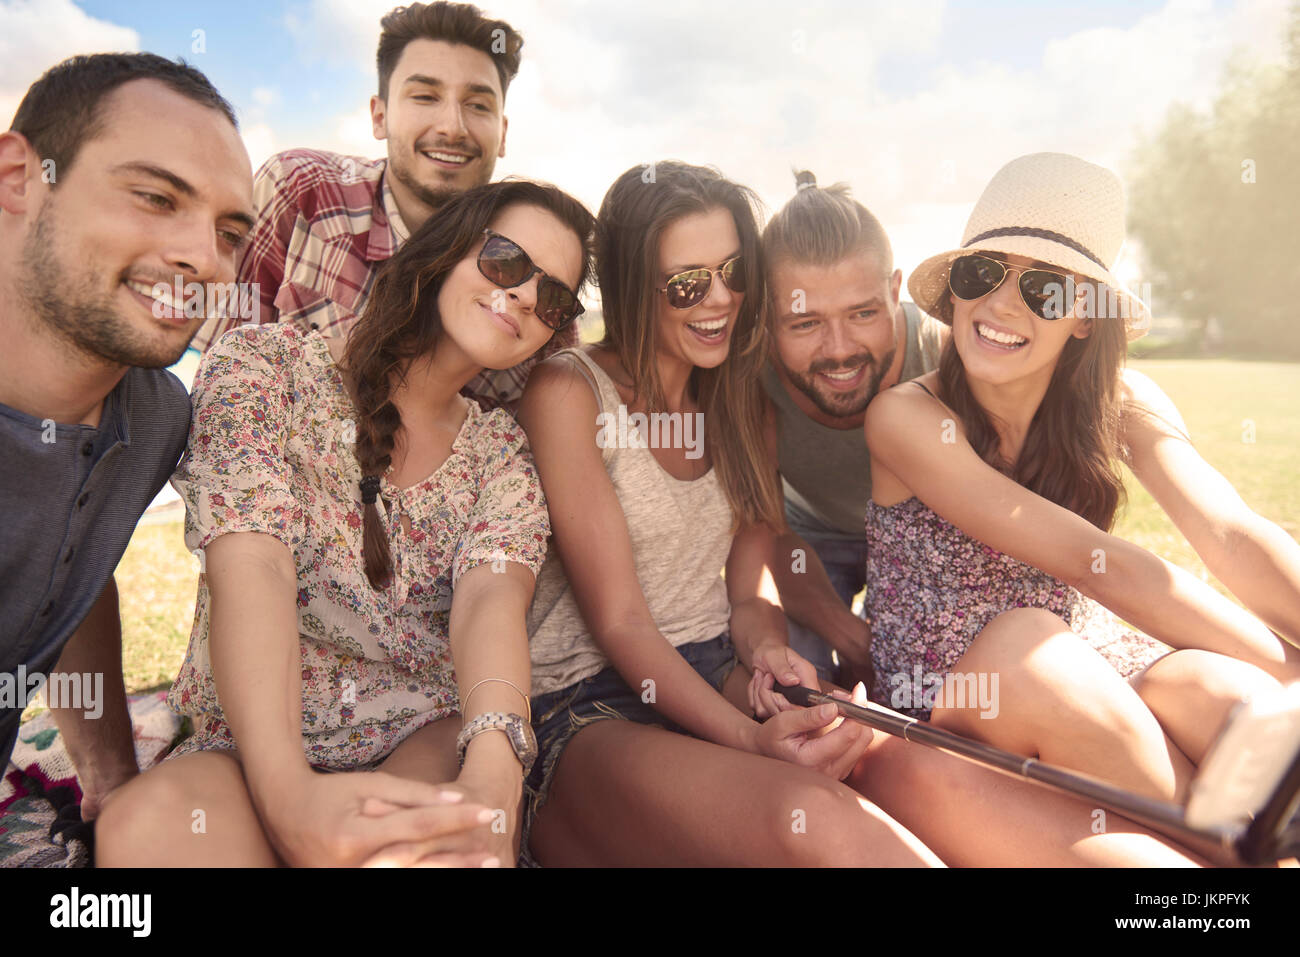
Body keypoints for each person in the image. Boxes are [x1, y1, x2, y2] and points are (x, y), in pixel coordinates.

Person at [94, 180, 594, 867]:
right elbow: (255, 567)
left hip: (417, 737)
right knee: (143, 833)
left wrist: (496, 772)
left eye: (556, 297)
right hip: (250, 744)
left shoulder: (502, 454)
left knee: (417, 853)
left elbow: (490, 602)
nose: (529, 297)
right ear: (447, 250)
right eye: (506, 260)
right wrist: (289, 797)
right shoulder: (263, 368)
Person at [517, 160, 943, 866]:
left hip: (718, 670)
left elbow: (747, 591)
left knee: (906, 765)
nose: (718, 299)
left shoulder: (742, 401)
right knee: (811, 814)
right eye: (687, 283)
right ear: (631, 286)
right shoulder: (570, 393)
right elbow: (619, 620)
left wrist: (768, 652)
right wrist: (748, 736)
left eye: (734, 270)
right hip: (588, 707)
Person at [862, 152, 1300, 803]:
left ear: (1086, 315)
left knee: (1235, 700)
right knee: (1056, 669)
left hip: (1084, 647)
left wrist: (1280, 680)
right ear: (956, 287)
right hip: (958, 680)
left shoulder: (1121, 400)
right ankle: (1211, 861)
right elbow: (1100, 565)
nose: (1003, 303)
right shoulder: (905, 416)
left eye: (1046, 289)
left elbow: (1229, 531)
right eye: (983, 273)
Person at [0, 53, 254, 816]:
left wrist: (111, 780)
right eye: (154, 196)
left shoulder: (154, 417)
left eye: (231, 231)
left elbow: (73, 562)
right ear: (19, 178)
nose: (201, 257)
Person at [191, 2, 557, 411]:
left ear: (502, 133)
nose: (452, 127)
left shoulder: (540, 280)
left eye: (478, 105)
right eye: (424, 96)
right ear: (379, 116)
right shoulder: (300, 192)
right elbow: (220, 384)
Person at [758, 171, 946, 687]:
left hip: (925, 539)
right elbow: (767, 533)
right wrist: (856, 641)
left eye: (862, 313)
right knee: (794, 684)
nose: (838, 349)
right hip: (810, 542)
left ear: (894, 291)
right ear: (766, 317)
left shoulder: (943, 353)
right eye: (804, 323)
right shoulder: (748, 382)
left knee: (935, 686)